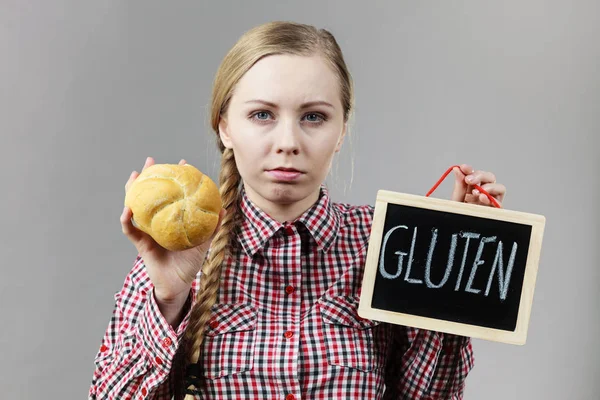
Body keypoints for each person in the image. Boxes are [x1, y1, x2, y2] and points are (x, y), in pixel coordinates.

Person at [89, 21, 506, 400]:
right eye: (262, 114)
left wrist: (448, 272)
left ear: (341, 129)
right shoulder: (177, 252)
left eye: (312, 116)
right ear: (225, 127)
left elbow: (429, 395)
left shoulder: (387, 243)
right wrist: (169, 296)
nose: (288, 141)